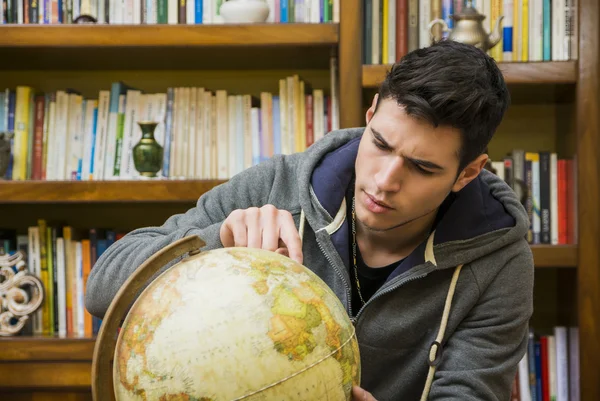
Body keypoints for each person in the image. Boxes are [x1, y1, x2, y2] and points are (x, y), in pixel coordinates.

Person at [85, 40, 534, 401]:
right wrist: (215, 240)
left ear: (468, 172)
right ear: (372, 113)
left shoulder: (500, 260)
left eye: (422, 168)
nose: (384, 180)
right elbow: (102, 289)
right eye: (379, 143)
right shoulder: (276, 183)